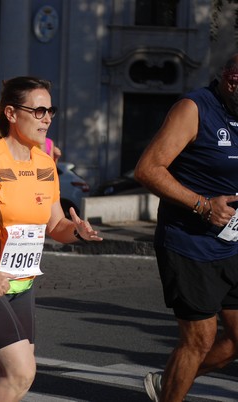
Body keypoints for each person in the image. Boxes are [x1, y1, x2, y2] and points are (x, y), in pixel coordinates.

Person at [0, 76, 102, 402]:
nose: (47, 118)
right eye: (38, 111)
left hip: (22, 284)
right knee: (22, 373)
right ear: (11, 113)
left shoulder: (44, 162)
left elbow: (55, 225)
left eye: (50, 111)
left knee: (7, 376)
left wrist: (77, 233)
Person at [135, 54, 238, 402]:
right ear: (227, 77)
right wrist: (204, 205)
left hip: (232, 243)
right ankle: (174, 391)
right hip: (189, 244)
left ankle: (171, 381)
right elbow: (148, 169)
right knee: (199, 340)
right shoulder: (194, 108)